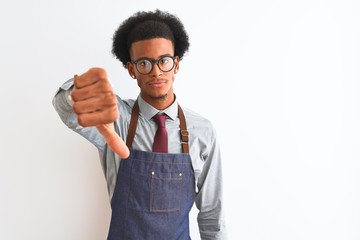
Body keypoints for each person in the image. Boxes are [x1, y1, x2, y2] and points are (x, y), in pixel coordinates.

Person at [53, 9, 226, 239]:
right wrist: (80, 90)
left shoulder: (202, 131)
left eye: (163, 61)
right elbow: (66, 111)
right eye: (144, 63)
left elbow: (212, 215)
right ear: (132, 69)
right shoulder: (116, 119)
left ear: (176, 64)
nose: (156, 72)